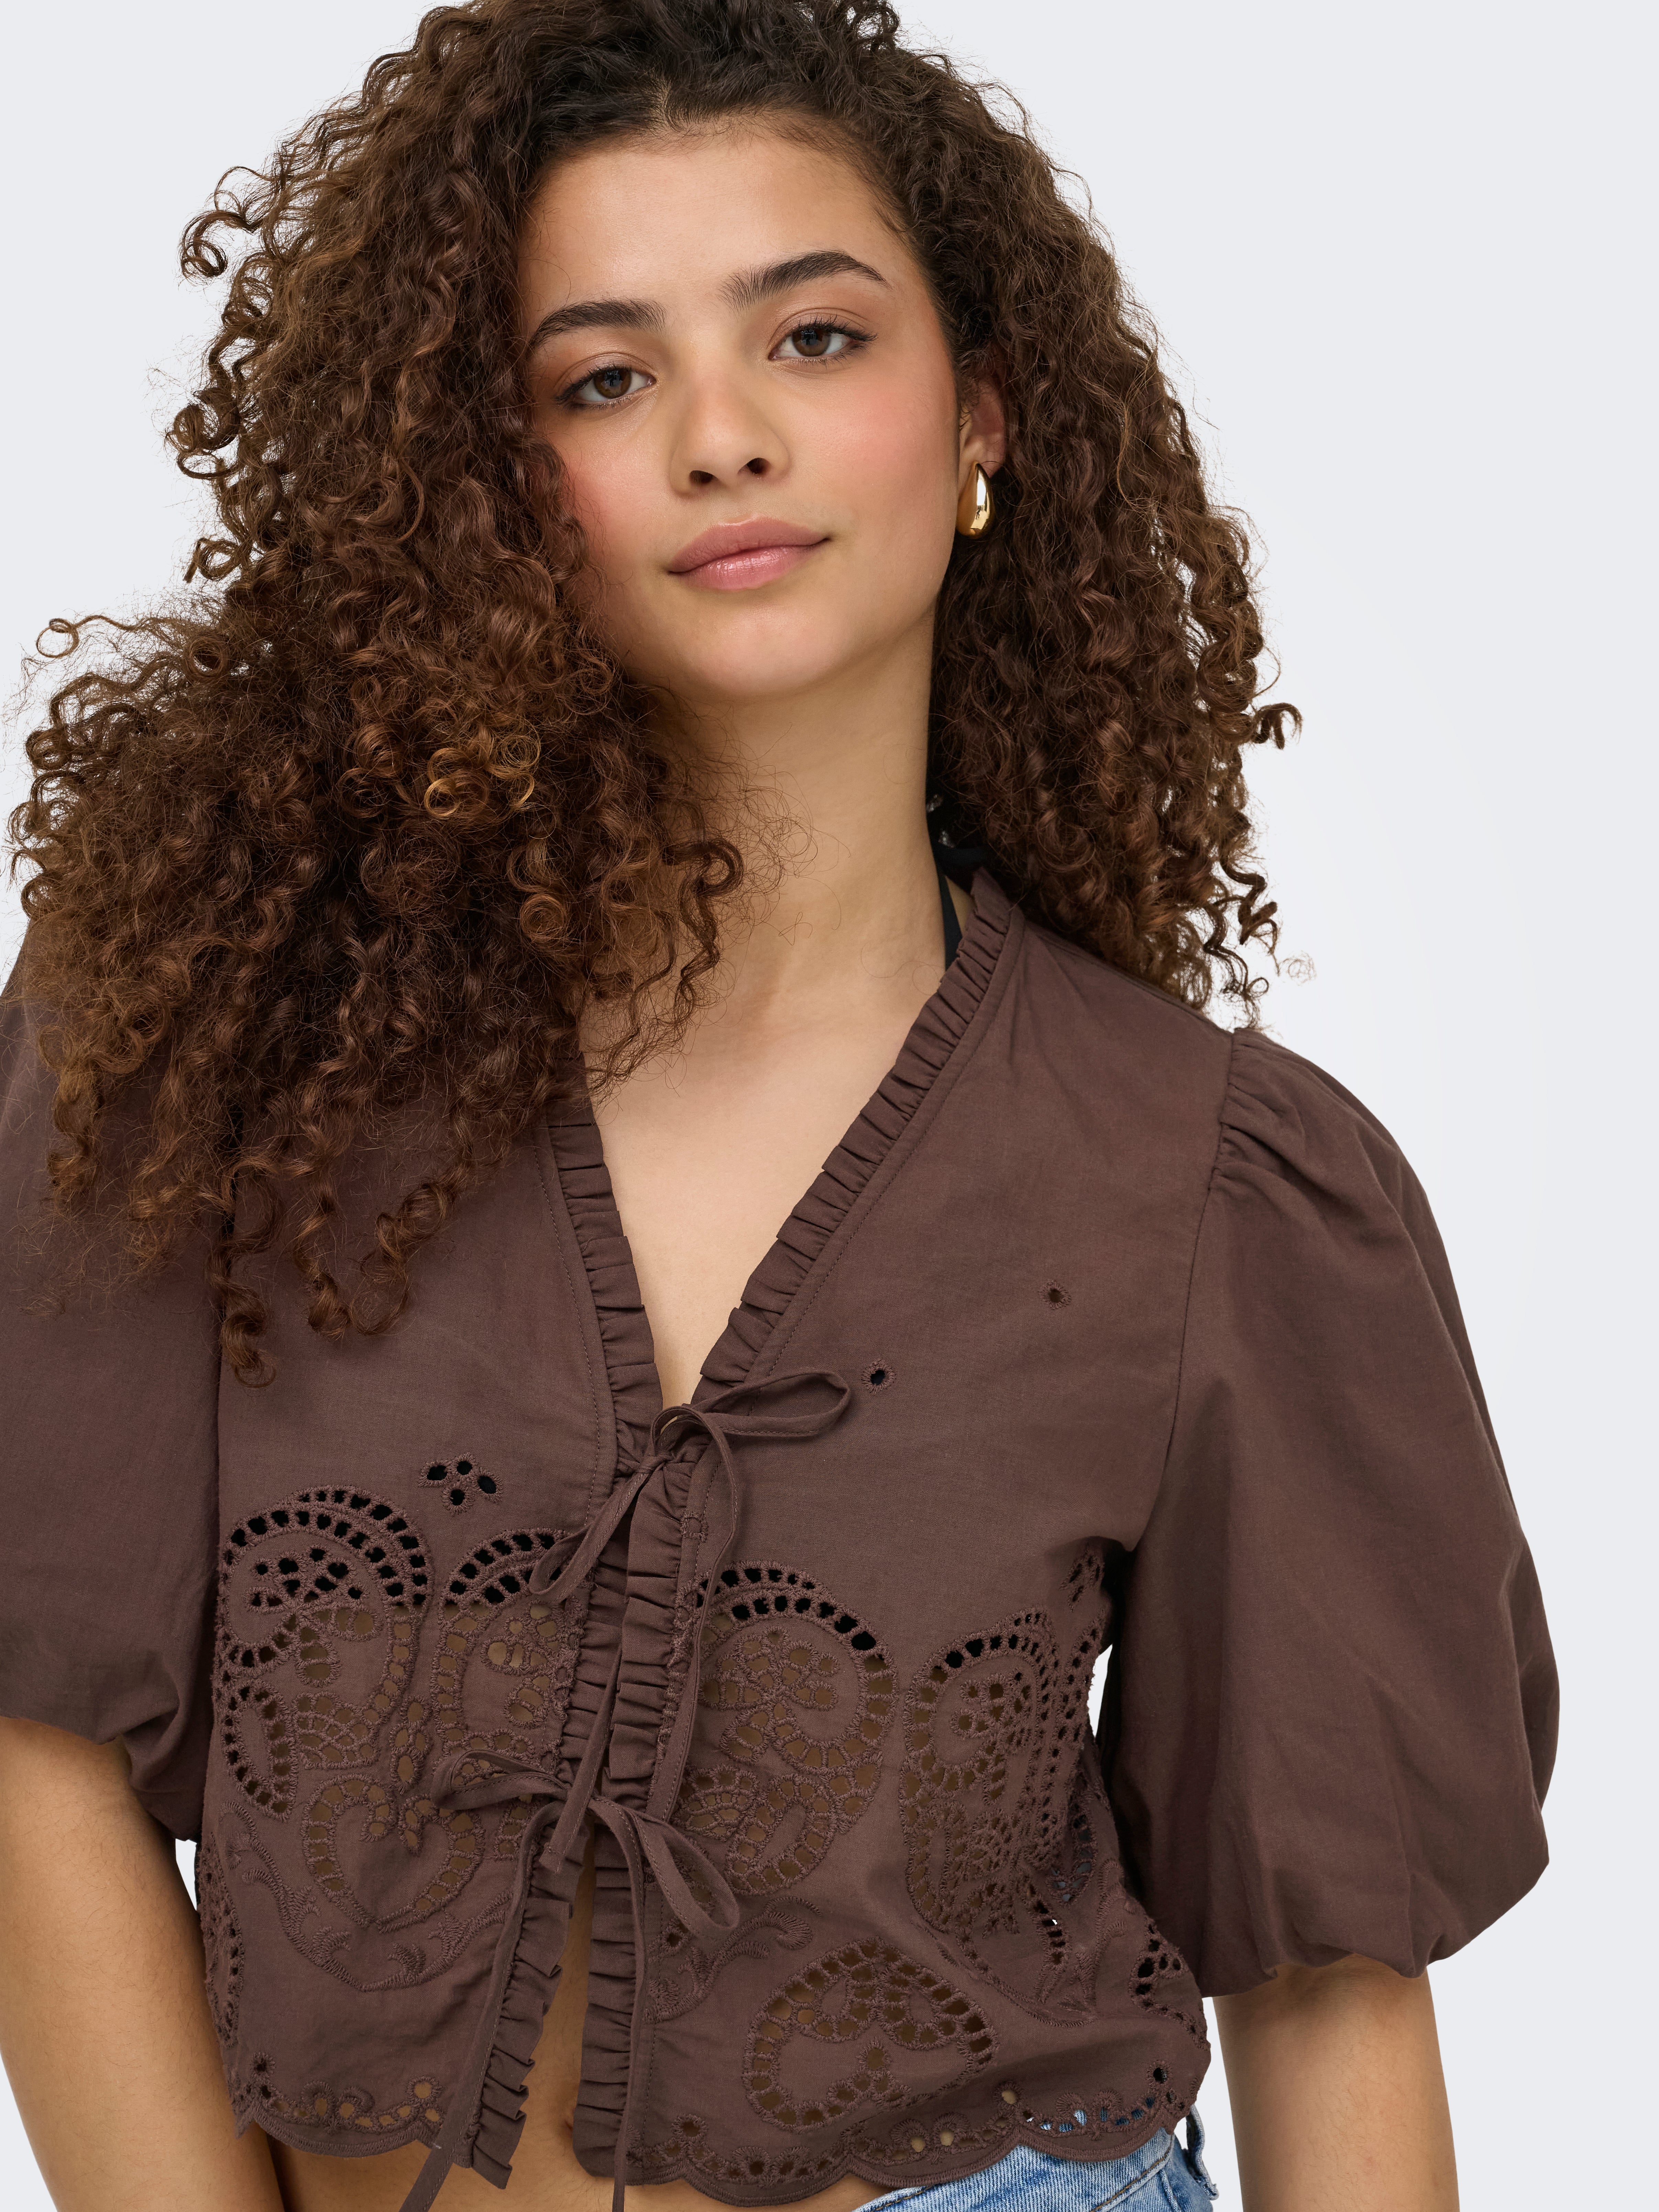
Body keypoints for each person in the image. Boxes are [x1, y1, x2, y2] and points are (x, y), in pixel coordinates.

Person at [0, 4, 1556, 2209]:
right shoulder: (205, 1040)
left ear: (980, 412)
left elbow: (1325, 1981)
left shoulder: (1221, 1182)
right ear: (489, 484)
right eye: (602, 378)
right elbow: (31, 1739)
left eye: (815, 338)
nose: (725, 437)